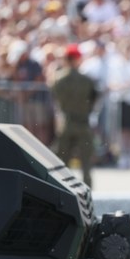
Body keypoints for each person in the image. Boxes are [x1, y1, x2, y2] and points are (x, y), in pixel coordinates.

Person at [51, 44, 99, 188]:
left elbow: (56, 97)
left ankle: (62, 189)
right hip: (83, 123)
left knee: (63, 161)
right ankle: (88, 190)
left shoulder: (59, 79)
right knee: (86, 162)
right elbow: (93, 99)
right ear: (78, 59)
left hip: (67, 122)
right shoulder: (87, 80)